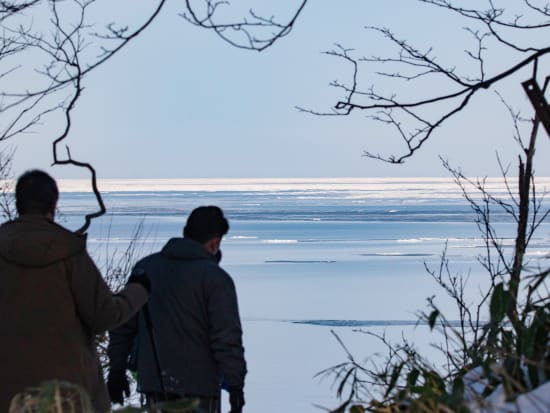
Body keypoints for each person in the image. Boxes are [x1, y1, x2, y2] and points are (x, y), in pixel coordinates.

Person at [0, 169, 150, 412]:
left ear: (18, 204)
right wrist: (138, 291)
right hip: (65, 393)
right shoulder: (69, 252)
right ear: (54, 204)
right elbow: (103, 315)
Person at [107, 206, 247, 413]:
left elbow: (123, 325)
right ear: (215, 242)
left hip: (154, 384)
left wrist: (116, 370)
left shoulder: (145, 269)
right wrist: (236, 387)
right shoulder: (215, 279)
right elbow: (226, 337)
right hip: (201, 387)